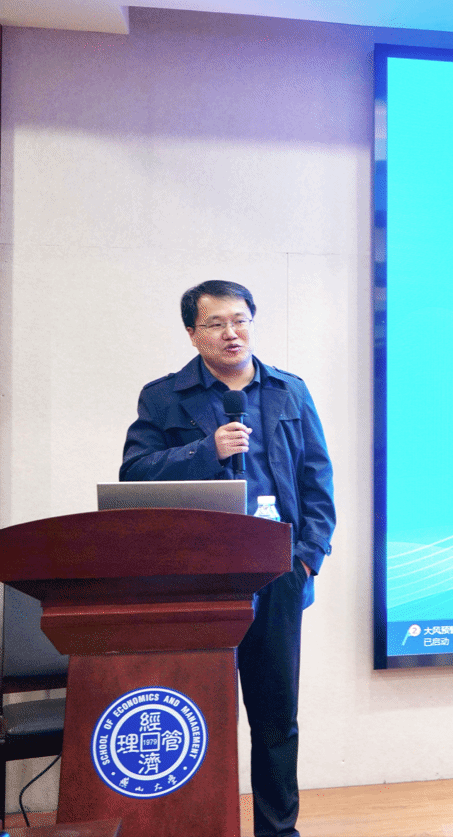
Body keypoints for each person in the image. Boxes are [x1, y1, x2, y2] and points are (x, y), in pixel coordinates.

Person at [119, 280, 334, 837]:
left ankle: (278, 831)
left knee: (276, 717)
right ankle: (203, 825)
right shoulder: (164, 397)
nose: (231, 333)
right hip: (201, 576)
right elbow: (134, 473)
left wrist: (307, 558)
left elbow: (317, 480)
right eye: (216, 324)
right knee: (201, 710)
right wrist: (205, 451)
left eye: (240, 320)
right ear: (193, 334)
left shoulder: (289, 391)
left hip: (278, 570)